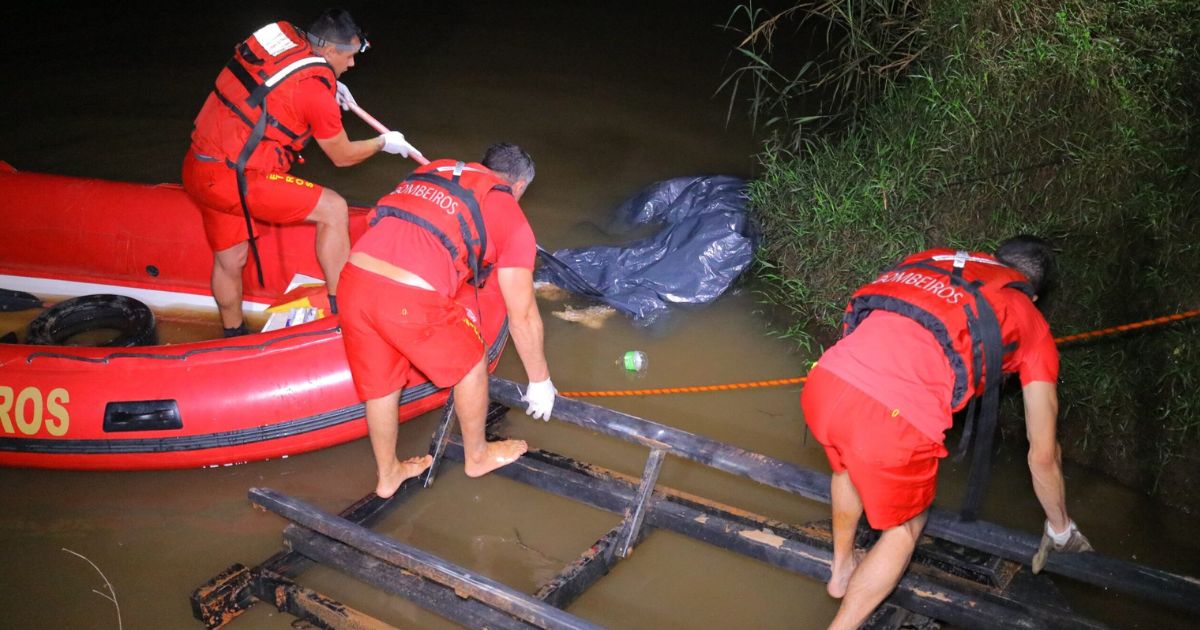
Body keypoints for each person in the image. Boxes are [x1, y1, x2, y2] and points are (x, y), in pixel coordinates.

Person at [800, 236, 1092, 629]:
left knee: (848, 467)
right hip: (892, 419)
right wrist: (1060, 528)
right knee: (905, 529)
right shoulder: (1030, 321)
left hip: (825, 382)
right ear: (1035, 295)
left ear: (993, 259)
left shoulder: (932, 259)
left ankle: (840, 571)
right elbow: (1042, 456)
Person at [182, 9, 418, 336]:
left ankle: (233, 336)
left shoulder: (281, 32)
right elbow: (343, 156)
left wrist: (327, 83)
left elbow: (273, 83)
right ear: (332, 51)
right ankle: (343, 317)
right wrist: (382, 143)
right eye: (349, 57)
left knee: (231, 261)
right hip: (235, 181)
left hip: (200, 164)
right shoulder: (314, 94)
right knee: (333, 209)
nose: (351, 65)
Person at [339, 143, 555, 498]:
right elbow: (524, 314)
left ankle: (388, 474)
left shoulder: (436, 170)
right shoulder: (509, 213)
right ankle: (478, 456)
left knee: (381, 385)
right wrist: (540, 380)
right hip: (408, 297)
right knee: (471, 360)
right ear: (518, 187)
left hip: (354, 281)